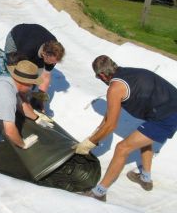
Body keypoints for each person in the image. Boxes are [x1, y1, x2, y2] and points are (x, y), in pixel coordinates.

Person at [73, 55, 177, 201]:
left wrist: (89, 143)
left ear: (102, 75)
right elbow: (109, 116)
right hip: (165, 108)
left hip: (166, 116)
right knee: (146, 139)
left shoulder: (115, 88)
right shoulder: (127, 73)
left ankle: (99, 193)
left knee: (122, 148)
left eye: (98, 77)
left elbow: (111, 125)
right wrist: (95, 133)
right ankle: (145, 179)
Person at [4, 23, 65, 111]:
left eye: (54, 62)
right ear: (45, 55)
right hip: (17, 36)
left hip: (36, 44)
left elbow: (46, 76)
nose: (53, 64)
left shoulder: (54, 55)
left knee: (33, 76)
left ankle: (25, 97)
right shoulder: (27, 49)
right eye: (52, 62)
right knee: (12, 69)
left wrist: (40, 98)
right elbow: (17, 72)